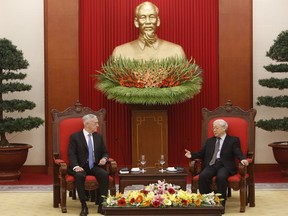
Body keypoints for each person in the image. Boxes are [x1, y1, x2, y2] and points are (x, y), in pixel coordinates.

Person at [184, 119, 249, 213]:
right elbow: (201, 153)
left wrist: (242, 159)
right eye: (213, 128)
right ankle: (207, 202)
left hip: (224, 165)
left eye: (216, 128)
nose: (214, 130)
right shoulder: (210, 141)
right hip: (212, 164)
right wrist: (192, 155)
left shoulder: (233, 140)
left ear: (224, 128)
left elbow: (237, 151)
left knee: (221, 177)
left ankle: (220, 204)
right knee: (203, 176)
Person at [112, 1, 186, 61]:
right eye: (143, 17)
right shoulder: (120, 53)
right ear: (136, 22)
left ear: (158, 21)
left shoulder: (176, 52)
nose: (148, 22)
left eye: (152, 17)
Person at [68, 114, 109, 216]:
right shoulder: (75, 137)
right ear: (87, 124)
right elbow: (71, 154)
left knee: (104, 174)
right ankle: (84, 205)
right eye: (95, 123)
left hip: (94, 166)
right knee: (79, 176)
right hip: (81, 166)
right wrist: (75, 166)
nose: (97, 125)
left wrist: (104, 158)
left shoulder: (98, 137)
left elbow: (105, 152)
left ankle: (102, 204)